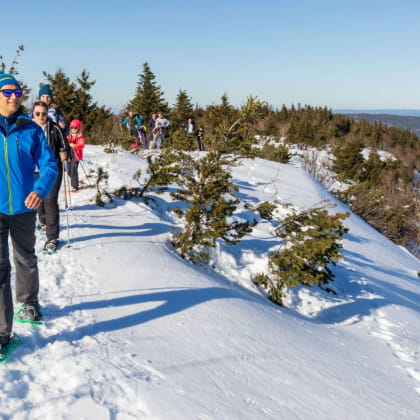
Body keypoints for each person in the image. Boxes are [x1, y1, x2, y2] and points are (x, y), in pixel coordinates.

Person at [0, 73, 58, 347]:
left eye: (17, 92)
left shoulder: (30, 129)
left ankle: (30, 303)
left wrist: (40, 189)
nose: (13, 96)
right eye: (7, 91)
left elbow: (49, 165)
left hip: (25, 207)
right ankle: (3, 332)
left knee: (25, 257)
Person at [32, 101, 69, 252]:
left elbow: (64, 145)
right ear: (33, 114)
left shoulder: (54, 128)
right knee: (38, 198)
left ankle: (52, 237)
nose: (41, 116)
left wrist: (64, 153)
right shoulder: (27, 128)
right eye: (38, 113)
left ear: (48, 114)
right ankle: (44, 222)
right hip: (33, 170)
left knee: (50, 200)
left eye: (44, 113)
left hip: (52, 170)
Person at [67, 120, 86, 192]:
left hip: (76, 156)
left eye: (75, 128)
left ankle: (75, 186)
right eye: (72, 128)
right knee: (69, 171)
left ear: (79, 128)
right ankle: (75, 180)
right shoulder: (69, 136)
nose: (73, 129)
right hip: (69, 155)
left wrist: (74, 145)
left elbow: (81, 145)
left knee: (73, 170)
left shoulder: (80, 137)